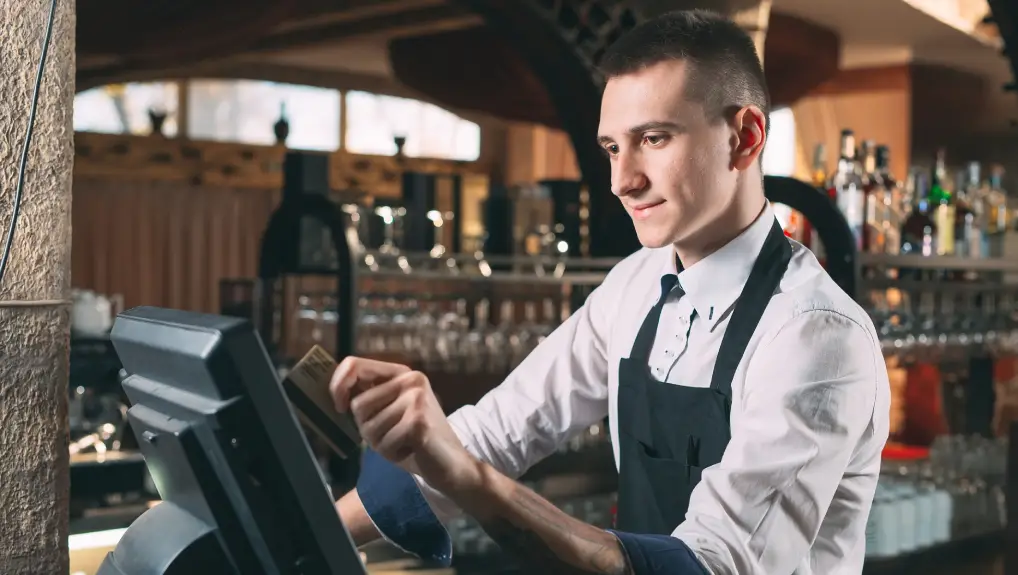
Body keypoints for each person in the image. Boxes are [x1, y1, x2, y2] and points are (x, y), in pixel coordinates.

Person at [329, 9, 890, 575]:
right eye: (613, 149)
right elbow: (498, 432)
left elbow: (712, 564)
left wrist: (470, 479)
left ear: (744, 138)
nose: (623, 181)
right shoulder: (635, 285)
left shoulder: (814, 333)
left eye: (654, 138)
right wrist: (313, 534)